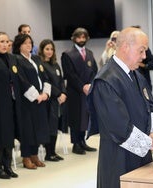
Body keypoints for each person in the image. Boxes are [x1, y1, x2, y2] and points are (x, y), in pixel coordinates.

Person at [87, 27, 153, 188]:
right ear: (125, 47)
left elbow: (152, 106)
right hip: (118, 158)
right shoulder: (106, 80)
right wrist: (151, 144)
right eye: (142, 51)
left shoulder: (136, 74)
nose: (144, 56)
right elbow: (118, 127)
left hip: (142, 153)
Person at [13, 34, 51, 169]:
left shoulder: (35, 58)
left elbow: (45, 76)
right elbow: (21, 80)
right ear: (19, 46)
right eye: (25, 43)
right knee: (28, 129)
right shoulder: (17, 59)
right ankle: (26, 157)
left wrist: (46, 93)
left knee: (38, 127)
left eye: (30, 43)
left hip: (41, 99)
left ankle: (35, 155)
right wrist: (36, 95)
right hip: (27, 101)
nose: (29, 45)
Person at [0, 32, 24, 179]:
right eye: (1, 41)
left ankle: (8, 166)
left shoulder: (12, 58)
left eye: (6, 42)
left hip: (12, 103)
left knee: (9, 134)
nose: (5, 45)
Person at [61, 27, 98, 155]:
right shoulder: (67, 54)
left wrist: (90, 85)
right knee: (76, 117)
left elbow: (94, 71)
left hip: (87, 90)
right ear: (74, 38)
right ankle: (76, 143)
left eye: (84, 37)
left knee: (85, 117)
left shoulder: (90, 53)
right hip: (75, 91)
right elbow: (69, 74)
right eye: (79, 37)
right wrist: (82, 86)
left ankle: (83, 141)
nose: (81, 40)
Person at [38, 39, 67, 161]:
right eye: (47, 49)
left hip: (58, 100)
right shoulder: (41, 65)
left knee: (55, 126)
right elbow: (47, 82)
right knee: (50, 126)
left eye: (51, 49)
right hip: (49, 100)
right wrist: (58, 93)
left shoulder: (55, 64)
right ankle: (49, 153)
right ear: (42, 50)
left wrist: (64, 93)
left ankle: (53, 152)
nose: (49, 52)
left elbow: (61, 81)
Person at [131, 25, 153, 90]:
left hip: (144, 84)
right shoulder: (127, 49)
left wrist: (143, 65)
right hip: (131, 85)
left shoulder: (145, 48)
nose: (144, 56)